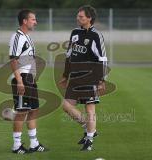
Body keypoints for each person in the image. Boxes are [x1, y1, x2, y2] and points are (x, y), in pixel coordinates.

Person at [59, 5, 108, 151]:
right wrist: (65, 75)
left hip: (90, 77)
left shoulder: (96, 35)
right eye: (77, 16)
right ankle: (89, 129)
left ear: (89, 18)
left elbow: (102, 58)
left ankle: (90, 140)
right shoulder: (74, 33)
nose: (78, 18)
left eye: (81, 16)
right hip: (75, 77)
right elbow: (69, 56)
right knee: (66, 106)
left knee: (90, 109)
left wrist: (102, 79)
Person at [9, 9, 47, 154]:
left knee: (33, 111)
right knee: (22, 112)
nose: (35, 22)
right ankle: (16, 145)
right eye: (33, 19)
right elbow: (13, 60)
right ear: (24, 21)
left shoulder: (28, 37)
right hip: (22, 78)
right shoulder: (17, 37)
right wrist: (19, 81)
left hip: (30, 79)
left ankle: (34, 144)